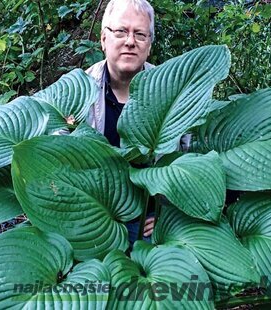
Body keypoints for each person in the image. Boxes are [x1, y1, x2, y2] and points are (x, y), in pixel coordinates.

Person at [85, 0, 155, 244]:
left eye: (140, 34)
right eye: (121, 31)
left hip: (149, 217)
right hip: (95, 215)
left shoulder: (169, 92)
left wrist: (170, 214)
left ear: (149, 46)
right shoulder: (79, 92)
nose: (130, 41)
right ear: (104, 39)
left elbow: (185, 158)